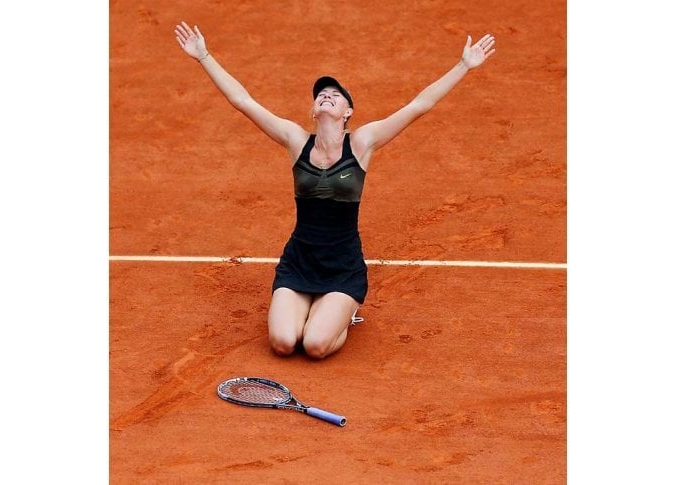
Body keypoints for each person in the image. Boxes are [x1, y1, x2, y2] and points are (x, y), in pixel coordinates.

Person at [174, 21, 495, 359]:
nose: (326, 96)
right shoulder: (296, 140)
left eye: (335, 95)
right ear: (314, 111)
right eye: (321, 95)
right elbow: (243, 101)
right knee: (283, 343)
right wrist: (204, 56)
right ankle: (319, 309)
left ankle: (343, 315)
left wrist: (463, 65)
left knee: (314, 345)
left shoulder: (362, 143)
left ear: (347, 113)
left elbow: (418, 105)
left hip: (343, 265)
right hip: (299, 262)